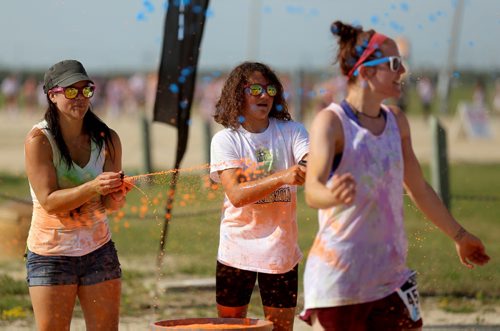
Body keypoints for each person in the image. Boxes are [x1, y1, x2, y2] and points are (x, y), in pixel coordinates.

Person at [300, 21, 490, 330]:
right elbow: (312, 191)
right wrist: (332, 195)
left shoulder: (396, 121)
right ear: (365, 72)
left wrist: (460, 235)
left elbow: (418, 188)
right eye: (394, 63)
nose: (403, 70)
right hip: (341, 282)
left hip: (391, 278)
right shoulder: (331, 122)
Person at [24, 59, 130, 331]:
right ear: (52, 95)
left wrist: (116, 196)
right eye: (71, 91)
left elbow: (108, 205)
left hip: (98, 250)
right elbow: (49, 202)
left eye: (86, 90)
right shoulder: (39, 140)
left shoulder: (107, 139)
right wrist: (93, 187)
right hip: (50, 253)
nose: (80, 98)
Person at [210, 62, 309, 331]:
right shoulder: (226, 140)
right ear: (237, 94)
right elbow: (237, 195)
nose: (264, 95)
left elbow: (311, 162)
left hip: (280, 250)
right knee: (230, 327)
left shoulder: (292, 131)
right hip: (236, 249)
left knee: (280, 329)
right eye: (254, 89)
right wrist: (283, 176)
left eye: (269, 89)